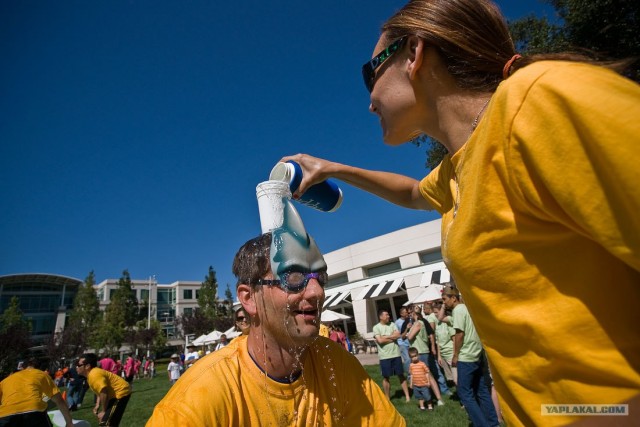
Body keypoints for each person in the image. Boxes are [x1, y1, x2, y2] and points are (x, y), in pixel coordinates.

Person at [281, 0, 640, 423]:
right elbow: (414, 192)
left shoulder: (539, 102)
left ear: (413, 54)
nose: (370, 102)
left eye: (369, 75)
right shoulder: (458, 168)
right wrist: (336, 168)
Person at [147, 229, 405, 426]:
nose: (317, 292)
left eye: (320, 278)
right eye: (293, 278)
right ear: (249, 298)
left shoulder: (336, 364)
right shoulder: (200, 398)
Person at [443, 286, 497, 427]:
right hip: (476, 354)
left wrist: (455, 355)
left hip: (466, 357)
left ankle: (481, 424)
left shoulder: (458, 310)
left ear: (453, 298)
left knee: (465, 394)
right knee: (481, 391)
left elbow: (459, 334)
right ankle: (493, 423)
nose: (444, 303)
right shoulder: (466, 308)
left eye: (445, 299)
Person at [0, 358, 74, 427]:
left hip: (5, 415)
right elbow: (59, 400)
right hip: (33, 411)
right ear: (39, 368)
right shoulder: (41, 374)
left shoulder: (5, 381)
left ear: (22, 368)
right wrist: (69, 422)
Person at [76, 353, 132, 427]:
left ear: (87, 366)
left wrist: (104, 411)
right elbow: (101, 391)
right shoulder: (92, 374)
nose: (76, 367)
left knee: (106, 423)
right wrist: (97, 404)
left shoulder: (94, 375)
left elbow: (104, 392)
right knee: (107, 422)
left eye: (79, 365)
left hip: (120, 392)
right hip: (115, 394)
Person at [372, 309, 411, 403]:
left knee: (401, 375)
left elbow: (398, 335)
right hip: (384, 356)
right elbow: (380, 341)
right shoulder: (376, 327)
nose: (388, 316)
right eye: (386, 315)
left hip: (396, 354)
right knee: (386, 377)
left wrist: (385, 336)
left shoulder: (392, 324)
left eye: (388, 315)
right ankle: (387, 398)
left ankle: (407, 396)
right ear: (381, 317)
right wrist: (391, 337)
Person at [395, 307, 411, 375]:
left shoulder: (410, 320)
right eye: (405, 312)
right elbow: (397, 334)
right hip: (402, 343)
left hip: (410, 342)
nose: (407, 313)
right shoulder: (397, 322)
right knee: (407, 359)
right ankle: (409, 375)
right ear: (401, 314)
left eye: (407, 312)